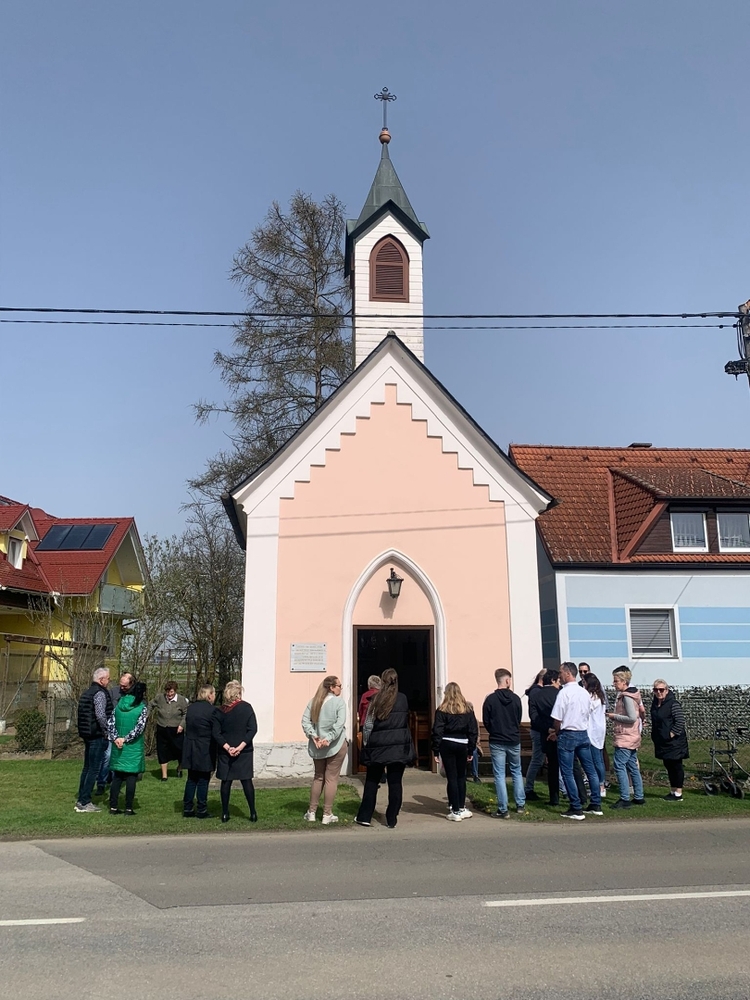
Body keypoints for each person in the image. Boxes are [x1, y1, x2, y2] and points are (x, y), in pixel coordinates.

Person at [355, 668, 415, 829]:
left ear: (382, 681)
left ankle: (365, 816)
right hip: (398, 746)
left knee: (372, 781)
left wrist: (366, 742)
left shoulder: (375, 699)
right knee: (395, 783)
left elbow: (368, 724)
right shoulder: (402, 699)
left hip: (378, 745)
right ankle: (391, 818)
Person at [550, 662, 603, 819]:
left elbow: (557, 718)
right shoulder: (584, 692)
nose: (559, 675)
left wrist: (556, 732)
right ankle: (596, 803)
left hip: (568, 733)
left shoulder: (564, 693)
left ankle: (576, 806)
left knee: (567, 772)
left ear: (567, 673)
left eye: (561, 672)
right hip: (582, 732)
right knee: (590, 769)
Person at [302, 675, 348, 825]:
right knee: (331, 779)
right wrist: (328, 739)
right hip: (335, 744)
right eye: (339, 686)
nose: (341, 688)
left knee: (318, 777)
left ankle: (311, 812)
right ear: (331, 687)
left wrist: (314, 736)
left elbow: (305, 721)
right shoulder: (339, 703)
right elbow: (339, 724)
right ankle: (327, 814)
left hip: (318, 746)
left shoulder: (314, 702)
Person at [212, 680, 258, 823]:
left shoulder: (219, 711)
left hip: (225, 751)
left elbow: (216, 733)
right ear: (238, 693)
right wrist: (240, 746)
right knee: (246, 781)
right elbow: (253, 729)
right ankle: (253, 812)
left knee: (226, 782)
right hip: (244, 750)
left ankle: (225, 813)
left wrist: (227, 747)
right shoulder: (247, 708)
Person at [482, 668, 525, 819]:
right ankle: (520, 804)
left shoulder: (490, 699)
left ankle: (503, 808)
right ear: (507, 680)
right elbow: (518, 718)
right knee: (516, 771)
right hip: (513, 739)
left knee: (499, 774)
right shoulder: (516, 699)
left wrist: (494, 731)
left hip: (497, 740)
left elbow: (486, 720)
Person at [432, 682, 479, 821]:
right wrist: (471, 749)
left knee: (451, 777)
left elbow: (437, 731)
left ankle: (455, 810)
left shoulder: (442, 710)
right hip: (463, 744)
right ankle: (462, 807)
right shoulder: (467, 710)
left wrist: (435, 750)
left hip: (447, 743)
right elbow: (473, 731)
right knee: (461, 777)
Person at [75, 666, 113, 813]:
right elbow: (101, 715)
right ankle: (85, 801)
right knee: (93, 769)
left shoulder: (87, 693)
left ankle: (81, 798)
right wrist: (107, 730)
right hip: (96, 735)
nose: (109, 681)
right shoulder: (100, 694)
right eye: (108, 678)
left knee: (87, 767)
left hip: (87, 734)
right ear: (101, 680)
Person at [606, 667, 645, 809]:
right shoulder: (632, 695)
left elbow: (632, 717)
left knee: (619, 765)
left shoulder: (627, 697)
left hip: (625, 737)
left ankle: (625, 798)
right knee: (632, 766)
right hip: (631, 735)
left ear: (624, 681)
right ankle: (639, 796)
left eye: (616, 681)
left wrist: (614, 716)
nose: (614, 683)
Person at [109, 681, 148, 816]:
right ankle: (128, 808)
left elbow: (111, 723)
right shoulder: (141, 707)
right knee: (131, 777)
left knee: (118, 777)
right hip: (133, 747)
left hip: (118, 745)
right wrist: (126, 739)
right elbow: (139, 728)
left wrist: (116, 738)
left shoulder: (119, 704)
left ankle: (113, 806)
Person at [182, 684, 217, 819]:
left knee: (191, 778)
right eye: (213, 694)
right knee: (203, 779)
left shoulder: (191, 708)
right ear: (209, 695)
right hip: (205, 747)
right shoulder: (212, 710)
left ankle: (188, 807)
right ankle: (202, 809)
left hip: (190, 745)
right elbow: (215, 730)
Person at [650, 679, 689, 801]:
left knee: (676, 766)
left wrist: (671, 734)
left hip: (675, 742)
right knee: (668, 765)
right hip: (662, 741)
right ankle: (672, 790)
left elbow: (680, 721)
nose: (658, 692)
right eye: (656, 690)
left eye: (661, 690)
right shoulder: (655, 704)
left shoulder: (673, 704)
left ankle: (679, 793)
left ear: (666, 690)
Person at [95, 672, 131, 797]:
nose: (122, 687)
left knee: (119, 758)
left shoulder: (134, 695)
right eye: (121, 685)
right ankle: (101, 783)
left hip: (125, 731)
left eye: (125, 686)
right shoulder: (113, 692)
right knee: (108, 756)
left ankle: (115, 785)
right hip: (112, 729)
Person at [529, 668, 561, 805]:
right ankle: (578, 796)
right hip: (557, 732)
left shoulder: (536, 694)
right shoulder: (559, 693)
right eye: (558, 681)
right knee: (569, 765)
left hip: (545, 732)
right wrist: (555, 730)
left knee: (552, 765)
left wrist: (548, 729)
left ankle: (555, 797)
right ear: (553, 680)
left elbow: (534, 716)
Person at [150, 680, 189, 780]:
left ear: (175, 691)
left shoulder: (182, 700)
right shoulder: (160, 698)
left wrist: (182, 725)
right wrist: (145, 715)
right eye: (167, 692)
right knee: (162, 751)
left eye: (171, 692)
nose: (169, 694)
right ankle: (164, 775)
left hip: (176, 730)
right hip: (162, 728)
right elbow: (150, 705)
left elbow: (186, 713)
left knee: (180, 751)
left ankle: (179, 768)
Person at [584, 673, 608, 800]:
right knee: (598, 758)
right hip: (599, 730)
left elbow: (585, 711)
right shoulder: (600, 696)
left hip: (593, 731)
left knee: (596, 759)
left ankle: (600, 786)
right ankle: (599, 785)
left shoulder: (592, 698)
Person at [524, 669, 547, 800]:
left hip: (541, 729)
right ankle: (528, 788)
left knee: (539, 760)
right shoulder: (536, 692)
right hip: (539, 730)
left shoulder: (536, 691)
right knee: (537, 760)